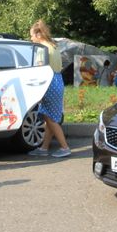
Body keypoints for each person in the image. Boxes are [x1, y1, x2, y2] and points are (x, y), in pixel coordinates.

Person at [27, 20, 71, 159]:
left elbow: (40, 70)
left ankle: (65, 147)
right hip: (57, 81)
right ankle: (44, 148)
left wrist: (36, 90)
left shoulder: (42, 49)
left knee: (50, 119)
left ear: (39, 34)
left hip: (48, 83)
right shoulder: (53, 46)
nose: (31, 38)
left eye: (32, 35)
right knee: (49, 117)